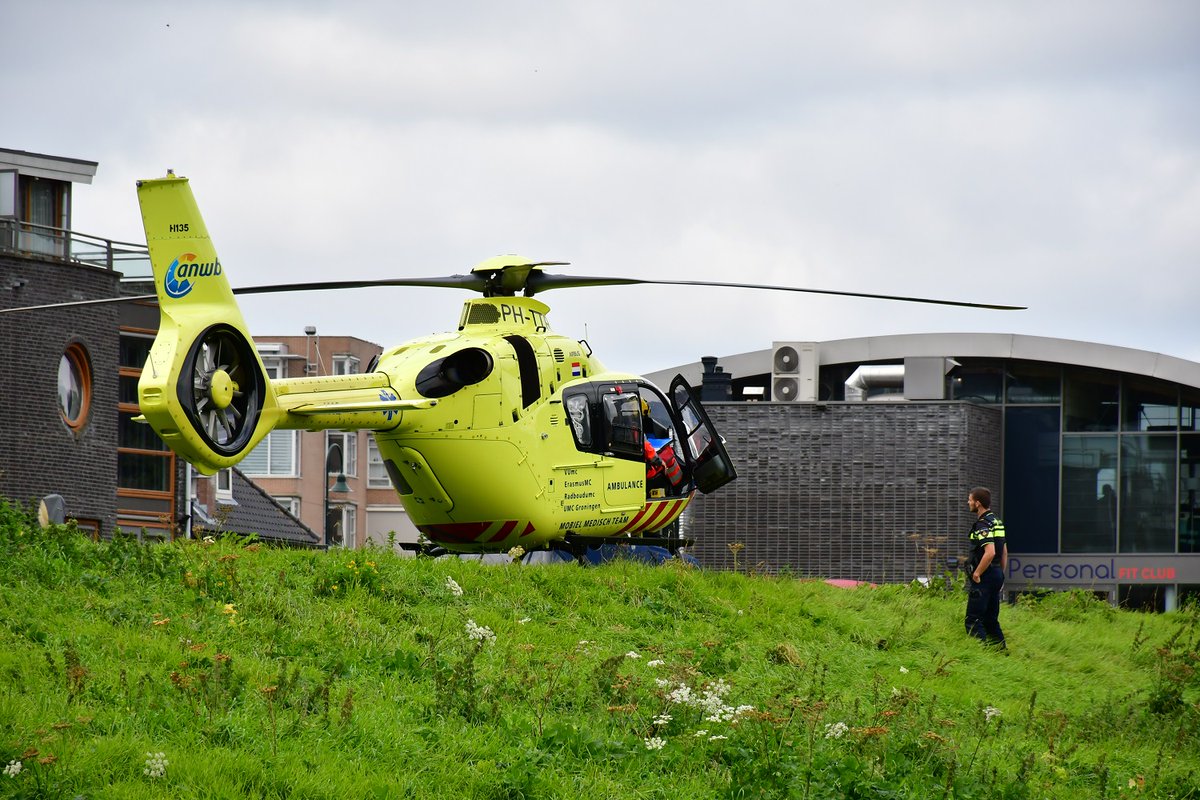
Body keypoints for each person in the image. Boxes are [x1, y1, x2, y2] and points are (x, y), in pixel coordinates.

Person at [964, 486, 1007, 649]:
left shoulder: (983, 525)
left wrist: (977, 573)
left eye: (970, 499)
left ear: (978, 503)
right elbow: (1004, 552)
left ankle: (978, 653)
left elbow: (990, 552)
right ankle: (1000, 652)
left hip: (985, 575)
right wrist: (1001, 575)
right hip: (996, 573)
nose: (968, 502)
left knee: (973, 619)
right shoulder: (997, 522)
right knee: (990, 619)